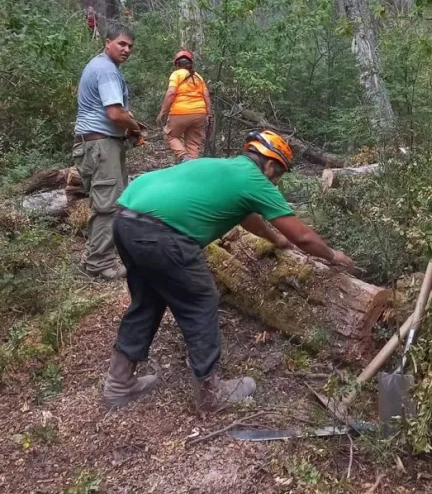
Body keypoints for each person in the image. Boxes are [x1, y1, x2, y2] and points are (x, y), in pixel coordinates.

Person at [103, 129, 355, 413]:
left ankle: (119, 382)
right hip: (162, 233)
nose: (276, 181)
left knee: (148, 299)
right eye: (279, 174)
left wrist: (275, 239)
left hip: (125, 220)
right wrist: (333, 255)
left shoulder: (224, 168)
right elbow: (304, 237)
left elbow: (248, 218)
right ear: (271, 164)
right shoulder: (254, 180)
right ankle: (211, 395)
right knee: (201, 300)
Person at [73, 22, 148, 281]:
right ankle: (99, 264)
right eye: (121, 44)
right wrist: (134, 127)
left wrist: (128, 127)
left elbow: (113, 112)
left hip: (96, 144)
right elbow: (115, 113)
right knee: (108, 205)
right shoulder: (106, 70)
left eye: (130, 46)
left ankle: (96, 254)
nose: (126, 49)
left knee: (104, 201)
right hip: (100, 146)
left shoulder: (101, 66)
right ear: (107, 42)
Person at [157, 49, 211, 162]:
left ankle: (184, 157)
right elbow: (206, 96)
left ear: (177, 64)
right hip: (199, 114)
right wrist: (209, 114)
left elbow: (171, 93)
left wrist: (163, 112)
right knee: (193, 144)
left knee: (170, 136)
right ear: (190, 63)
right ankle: (192, 168)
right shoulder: (198, 77)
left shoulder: (176, 74)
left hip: (180, 112)